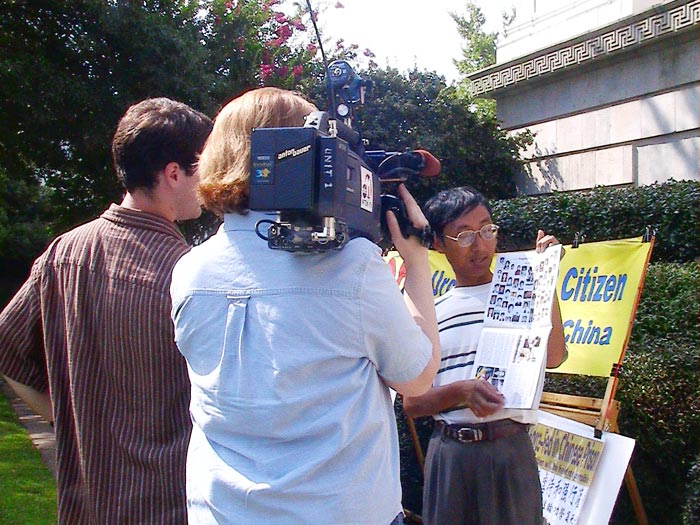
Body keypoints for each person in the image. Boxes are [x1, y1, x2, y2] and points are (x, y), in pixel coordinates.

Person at [169, 87, 440, 525]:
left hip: (221, 513)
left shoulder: (189, 270)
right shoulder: (350, 266)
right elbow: (419, 376)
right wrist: (416, 261)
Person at [0, 97, 212, 524]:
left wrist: (67, 419)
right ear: (173, 174)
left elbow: (6, 350)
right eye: (205, 167)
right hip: (167, 507)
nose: (211, 181)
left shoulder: (64, 252)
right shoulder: (188, 274)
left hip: (84, 506)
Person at [402, 186, 566, 525]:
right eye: (464, 236)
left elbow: (553, 356)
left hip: (510, 450)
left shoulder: (521, 291)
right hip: (451, 456)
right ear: (438, 244)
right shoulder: (429, 312)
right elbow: (413, 404)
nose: (479, 245)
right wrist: (461, 392)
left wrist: (545, 276)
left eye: (487, 230)